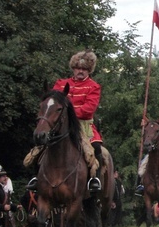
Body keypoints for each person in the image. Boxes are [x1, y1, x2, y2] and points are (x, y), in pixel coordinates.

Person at [25, 50, 104, 192]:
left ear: (89, 70)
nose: (80, 71)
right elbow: (53, 102)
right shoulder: (61, 84)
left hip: (82, 125)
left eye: (84, 69)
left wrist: (70, 114)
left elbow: (89, 109)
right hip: (59, 123)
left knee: (96, 148)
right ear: (73, 68)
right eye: (78, 68)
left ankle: (94, 180)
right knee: (40, 144)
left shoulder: (94, 86)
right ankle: (36, 177)